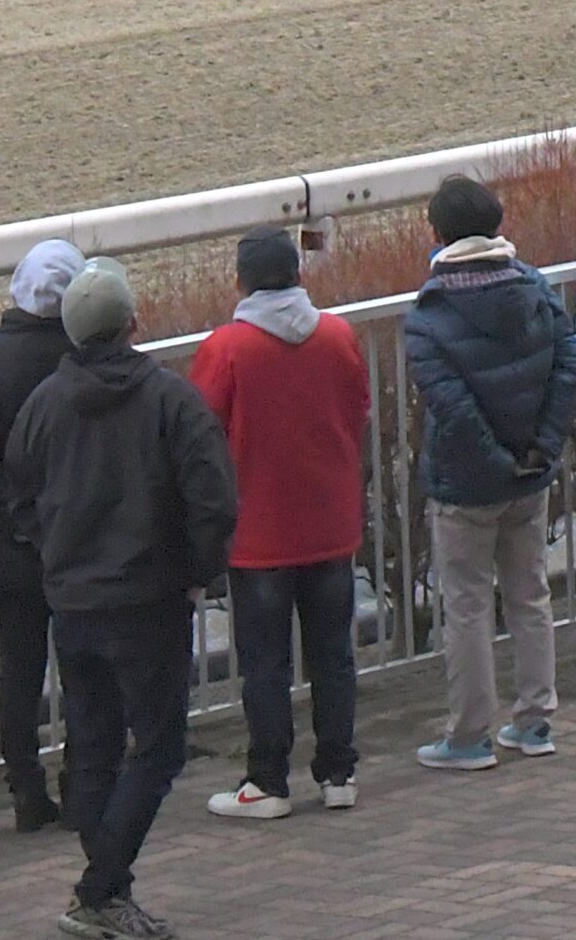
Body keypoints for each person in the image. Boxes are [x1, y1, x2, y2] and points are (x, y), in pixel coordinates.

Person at [7, 259, 237, 940]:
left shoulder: (42, 405)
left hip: (73, 600)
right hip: (149, 598)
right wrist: (199, 571)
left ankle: (106, 888)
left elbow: (19, 499)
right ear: (133, 323)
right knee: (160, 746)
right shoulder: (170, 399)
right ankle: (100, 887)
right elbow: (213, 497)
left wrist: (55, 555)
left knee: (95, 744)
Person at [190, 228, 372, 820]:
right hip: (330, 519)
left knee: (266, 663)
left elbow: (200, 433)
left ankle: (268, 781)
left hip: (258, 531)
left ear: (240, 281)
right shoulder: (338, 334)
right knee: (333, 653)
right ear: (298, 273)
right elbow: (358, 409)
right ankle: (339, 771)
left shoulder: (227, 348)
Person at [404, 176, 576, 770]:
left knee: (468, 605)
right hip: (530, 477)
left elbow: (451, 407)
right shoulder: (535, 289)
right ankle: (534, 721)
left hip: (467, 485)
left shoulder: (429, 315)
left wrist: (497, 460)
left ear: (437, 234)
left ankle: (469, 736)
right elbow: (569, 368)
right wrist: (542, 448)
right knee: (531, 595)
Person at [0, 239, 84, 833]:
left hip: (10, 544)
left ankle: (25, 790)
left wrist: (15, 512)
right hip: (82, 540)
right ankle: (84, 781)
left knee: (20, 671)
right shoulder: (86, 359)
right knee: (87, 667)